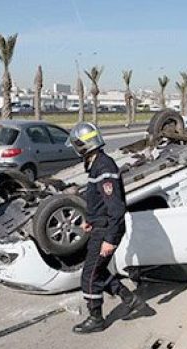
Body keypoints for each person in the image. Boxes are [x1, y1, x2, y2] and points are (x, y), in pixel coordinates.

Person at [67, 122, 145, 334]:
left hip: (107, 231)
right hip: (100, 227)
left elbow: (116, 208)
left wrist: (109, 240)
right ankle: (131, 299)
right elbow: (100, 202)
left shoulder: (104, 167)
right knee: (98, 271)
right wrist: (91, 220)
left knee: (89, 276)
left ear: (84, 145)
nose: (75, 148)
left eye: (77, 144)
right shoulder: (96, 164)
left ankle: (96, 318)